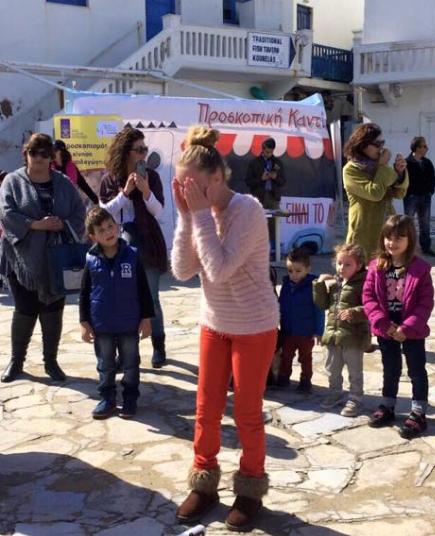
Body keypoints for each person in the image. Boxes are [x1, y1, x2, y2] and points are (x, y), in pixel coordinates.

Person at [171, 126, 278, 532]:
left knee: (247, 412)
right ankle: (204, 481)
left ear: (218, 177)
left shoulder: (247, 210)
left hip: (253, 325)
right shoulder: (199, 212)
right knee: (206, 408)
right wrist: (186, 216)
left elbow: (217, 269)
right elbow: (183, 269)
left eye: (195, 187)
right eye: (184, 188)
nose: (191, 195)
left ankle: (250, 488)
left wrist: (198, 214)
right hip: (215, 322)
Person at [0, 133, 86, 384]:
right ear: (26, 154)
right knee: (25, 309)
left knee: (53, 309)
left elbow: (79, 212)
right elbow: (6, 213)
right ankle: (17, 361)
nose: (39, 158)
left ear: (52, 157)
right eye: (34, 152)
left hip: (57, 259)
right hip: (21, 259)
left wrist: (62, 224)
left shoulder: (63, 183)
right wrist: (36, 224)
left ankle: (51, 361)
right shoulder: (13, 181)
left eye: (45, 153)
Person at [99, 127, 168, 368]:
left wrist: (146, 190)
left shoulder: (152, 176)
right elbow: (104, 213)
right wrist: (126, 193)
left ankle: (159, 346)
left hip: (147, 242)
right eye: (139, 150)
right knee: (124, 301)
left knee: (152, 298)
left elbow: (158, 210)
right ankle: (128, 353)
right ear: (126, 151)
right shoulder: (110, 179)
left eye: (145, 149)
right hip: (118, 246)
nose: (143, 154)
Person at [79, 207, 154, 420]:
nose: (108, 232)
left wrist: (146, 318)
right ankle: (107, 398)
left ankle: (130, 397)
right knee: (105, 364)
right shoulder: (91, 259)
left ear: (117, 226)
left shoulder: (132, 255)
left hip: (129, 323)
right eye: (101, 230)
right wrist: (84, 322)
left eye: (110, 226)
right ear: (93, 236)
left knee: (130, 363)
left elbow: (143, 289)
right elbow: (84, 293)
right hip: (101, 324)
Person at [363, 215, 434, 439]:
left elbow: (425, 303)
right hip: (387, 328)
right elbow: (368, 297)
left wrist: (408, 328)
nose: (392, 243)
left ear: (410, 239)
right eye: (388, 237)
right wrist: (383, 323)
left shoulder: (420, 269)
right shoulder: (377, 267)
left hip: (411, 331)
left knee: (416, 370)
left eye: (399, 238)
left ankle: (418, 412)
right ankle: (388, 405)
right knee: (390, 368)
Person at [314, 243, 370, 417]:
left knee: (354, 371)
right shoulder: (335, 283)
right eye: (339, 263)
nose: (341, 268)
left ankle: (355, 398)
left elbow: (371, 307)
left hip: (354, 337)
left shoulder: (364, 284)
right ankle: (335, 392)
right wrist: (319, 285)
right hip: (333, 335)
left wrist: (355, 312)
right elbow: (322, 304)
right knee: (332, 369)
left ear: (358, 266)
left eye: (347, 264)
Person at [343, 123, 409, 260]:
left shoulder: (378, 167)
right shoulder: (351, 169)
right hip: (364, 233)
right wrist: (382, 165)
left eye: (382, 143)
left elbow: (399, 193)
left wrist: (400, 172)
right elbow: (374, 193)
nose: (381, 148)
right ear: (362, 145)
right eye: (377, 144)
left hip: (387, 231)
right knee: (364, 269)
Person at [275, 247, 324, 392]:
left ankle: (305, 380)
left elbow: (319, 310)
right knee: (286, 355)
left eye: (298, 271)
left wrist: (318, 331)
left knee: (305, 358)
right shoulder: (286, 284)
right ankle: (284, 377)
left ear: (307, 269)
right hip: (288, 330)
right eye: (290, 271)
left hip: (305, 332)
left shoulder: (313, 286)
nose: (293, 275)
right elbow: (281, 304)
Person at [404, 136, 435, 255]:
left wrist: (430, 191)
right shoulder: (406, 163)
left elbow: (433, 178)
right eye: (424, 146)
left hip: (425, 197)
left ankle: (426, 248)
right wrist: (408, 193)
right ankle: (408, 248)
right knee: (408, 223)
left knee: (425, 223)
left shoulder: (427, 162)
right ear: (417, 148)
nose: (426, 148)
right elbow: (402, 179)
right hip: (411, 197)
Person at [53, 139, 99, 205]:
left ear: (62, 152)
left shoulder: (72, 167)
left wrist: (96, 200)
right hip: (54, 203)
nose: (52, 152)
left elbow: (83, 184)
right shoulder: (49, 167)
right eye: (51, 150)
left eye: (55, 150)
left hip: (69, 202)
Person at [245, 138, 285, 210]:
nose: (269, 154)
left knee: (274, 217)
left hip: (273, 198)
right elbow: (248, 182)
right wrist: (261, 179)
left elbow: (283, 182)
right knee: (257, 217)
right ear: (263, 149)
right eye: (267, 152)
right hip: (258, 198)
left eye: (271, 152)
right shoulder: (254, 163)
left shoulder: (278, 163)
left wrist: (275, 177)